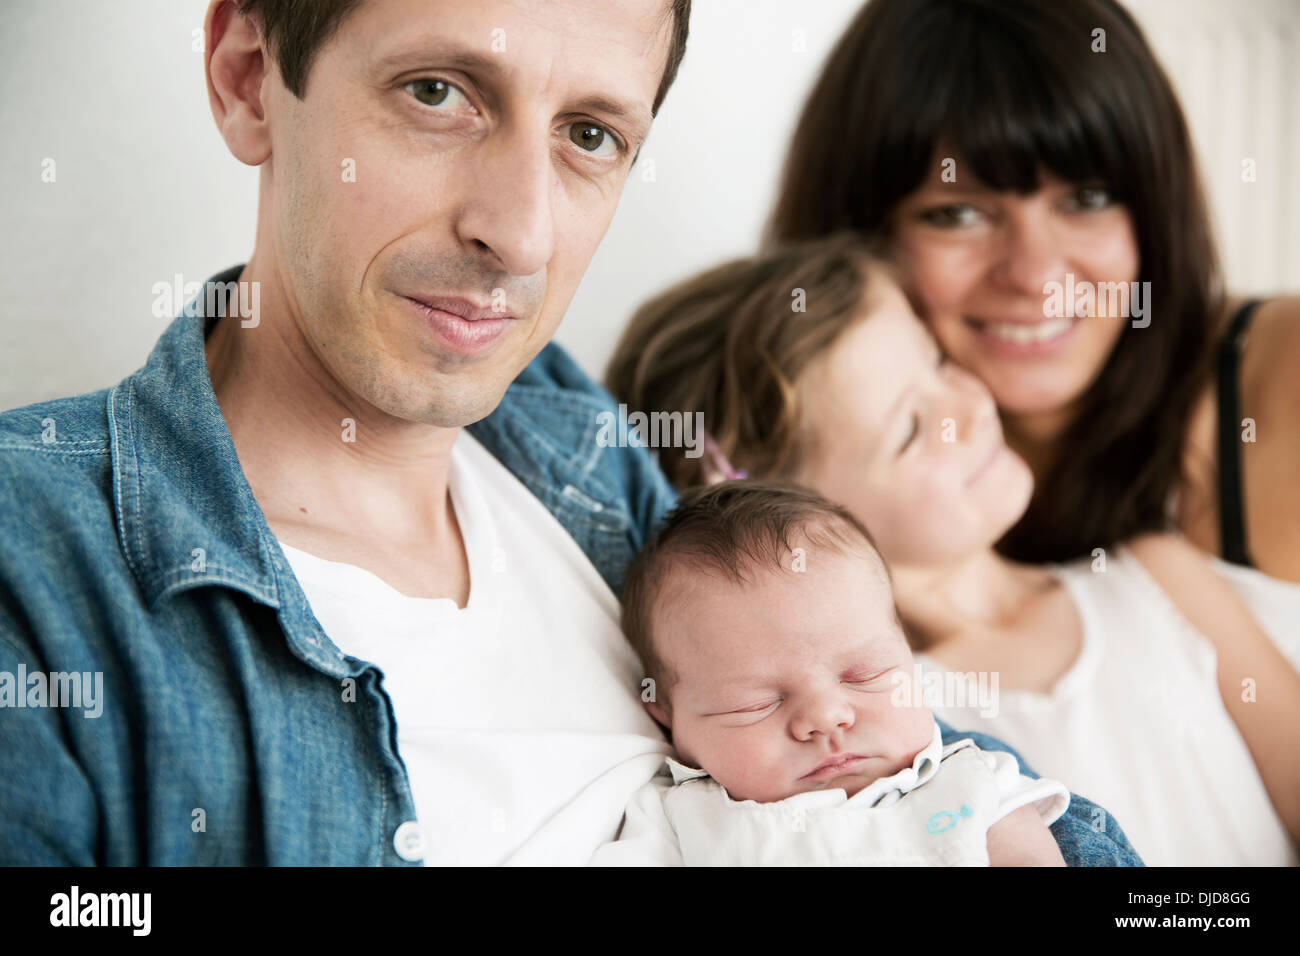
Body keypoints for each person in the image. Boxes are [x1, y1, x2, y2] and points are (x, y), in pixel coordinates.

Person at [0, 0, 1131, 869]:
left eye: (589, 133)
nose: (521, 231)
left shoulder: (579, 447)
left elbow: (982, 801)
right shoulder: (37, 566)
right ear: (250, 77)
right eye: (439, 93)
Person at [605, 232, 1300, 864]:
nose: (970, 407)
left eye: (938, 362)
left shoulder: (1154, 577)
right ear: (782, 512)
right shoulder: (870, 731)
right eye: (912, 427)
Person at [764, 0, 1300, 595]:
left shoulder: (1283, 372)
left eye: (1087, 200)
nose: (1036, 275)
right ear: (854, 240)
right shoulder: (788, 462)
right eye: (958, 213)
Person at [592, 482, 1070, 867]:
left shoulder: (974, 780)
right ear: (666, 714)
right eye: (756, 702)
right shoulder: (684, 821)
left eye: (864, 673)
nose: (825, 716)